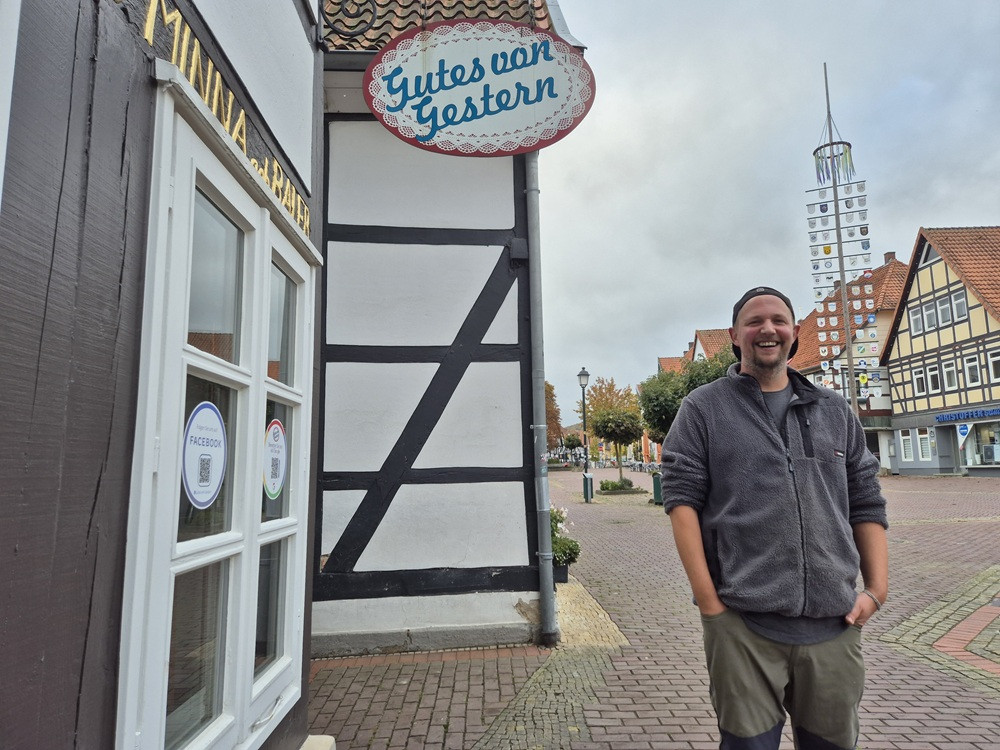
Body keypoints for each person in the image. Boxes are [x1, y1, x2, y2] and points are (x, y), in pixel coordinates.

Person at [660, 286, 888, 750]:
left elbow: (866, 500)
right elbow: (681, 503)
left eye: (779, 320)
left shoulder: (834, 411)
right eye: (754, 321)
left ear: (795, 332)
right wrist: (711, 606)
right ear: (735, 336)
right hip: (743, 627)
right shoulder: (703, 409)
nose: (768, 329)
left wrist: (876, 591)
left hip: (834, 624)